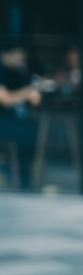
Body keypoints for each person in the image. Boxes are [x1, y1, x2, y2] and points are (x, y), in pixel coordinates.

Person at [0, 41, 41, 190]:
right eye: (19, 56)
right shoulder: (1, 71)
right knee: (25, 132)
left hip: (18, 120)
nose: (22, 60)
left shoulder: (18, 73)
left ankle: (23, 178)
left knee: (32, 127)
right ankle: (18, 177)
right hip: (3, 121)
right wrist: (27, 93)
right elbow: (5, 99)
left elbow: (33, 98)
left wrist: (36, 94)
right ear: (6, 55)